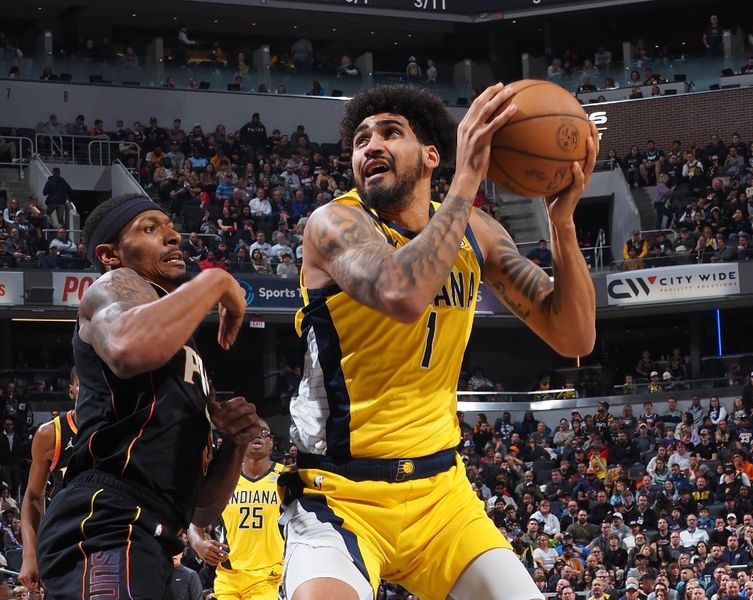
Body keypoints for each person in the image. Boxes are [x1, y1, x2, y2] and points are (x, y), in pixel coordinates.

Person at [279, 83, 598, 600]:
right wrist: (467, 176)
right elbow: (401, 294)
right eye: (360, 140)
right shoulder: (335, 222)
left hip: (442, 495)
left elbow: (574, 336)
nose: (369, 146)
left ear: (431, 156)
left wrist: (560, 224)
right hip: (339, 494)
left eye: (389, 133)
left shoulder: (479, 233)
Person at [35, 194, 262, 599]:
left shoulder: (178, 342)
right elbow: (127, 349)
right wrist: (216, 280)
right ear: (110, 254)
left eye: (170, 227)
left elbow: (198, 509)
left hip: (153, 535)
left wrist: (234, 444)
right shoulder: (112, 286)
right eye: (150, 228)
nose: (173, 236)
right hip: (106, 520)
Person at [189, 418, 285, 600]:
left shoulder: (286, 477)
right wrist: (198, 543)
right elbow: (195, 521)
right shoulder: (224, 480)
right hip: (228, 576)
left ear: (271, 441)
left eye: (263, 432)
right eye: (251, 432)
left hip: (270, 577)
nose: (258, 436)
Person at [18, 369, 80, 590]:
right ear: (71, 391)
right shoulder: (52, 433)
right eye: (82, 384)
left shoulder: (120, 431)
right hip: (64, 541)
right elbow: (34, 496)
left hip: (109, 540)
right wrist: (30, 555)